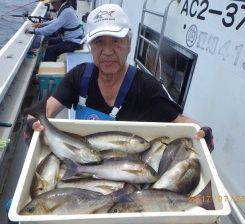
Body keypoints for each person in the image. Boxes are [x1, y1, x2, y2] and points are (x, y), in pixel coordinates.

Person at [29, 4, 214, 151]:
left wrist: (202, 134)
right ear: (90, 46)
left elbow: (179, 121)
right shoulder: (79, 76)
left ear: (129, 44)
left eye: (116, 41)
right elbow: (46, 109)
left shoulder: (147, 87)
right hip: (84, 155)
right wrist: (32, 122)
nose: (108, 51)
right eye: (99, 42)